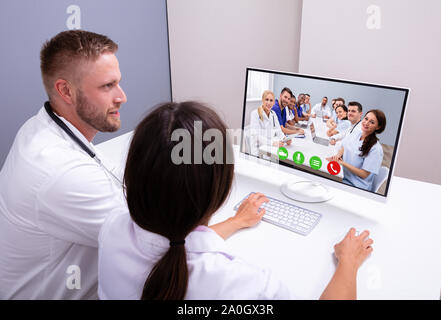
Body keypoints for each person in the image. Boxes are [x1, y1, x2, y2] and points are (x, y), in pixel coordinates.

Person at [98, 101, 374, 300]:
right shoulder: (243, 284)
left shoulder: (112, 228)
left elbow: (174, 242)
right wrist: (348, 263)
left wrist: (235, 221)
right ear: (221, 186)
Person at [0, 30, 130, 299]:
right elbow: (156, 247)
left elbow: (109, 177)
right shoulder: (58, 170)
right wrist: (236, 220)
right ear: (65, 91)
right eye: (107, 86)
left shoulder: (41, 127)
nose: (122, 96)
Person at [327, 109, 386, 191]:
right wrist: (337, 156)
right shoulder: (356, 134)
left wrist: (343, 163)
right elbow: (345, 146)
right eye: (366, 119)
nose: (366, 123)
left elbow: (364, 174)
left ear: (378, 127)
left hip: (356, 186)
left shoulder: (376, 149)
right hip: (344, 176)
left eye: (372, 122)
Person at [248, 90, 291, 155]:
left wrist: (284, 138)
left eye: (271, 100)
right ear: (262, 100)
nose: (269, 102)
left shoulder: (273, 114)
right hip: (258, 151)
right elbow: (256, 136)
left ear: (273, 102)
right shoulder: (255, 113)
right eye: (266, 99)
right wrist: (273, 143)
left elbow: (279, 130)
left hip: (270, 148)